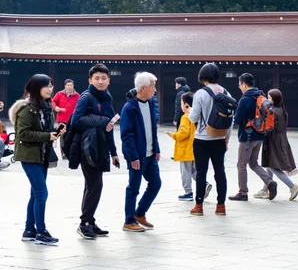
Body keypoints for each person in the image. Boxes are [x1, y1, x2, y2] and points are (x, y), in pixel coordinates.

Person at [9, 74, 65, 245]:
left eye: (51, 86)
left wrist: (56, 132)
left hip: (42, 154)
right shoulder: (27, 109)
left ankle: (29, 230)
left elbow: (44, 130)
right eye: (46, 86)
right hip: (29, 156)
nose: (50, 89)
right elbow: (23, 134)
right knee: (42, 194)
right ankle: (41, 232)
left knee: (35, 194)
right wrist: (47, 136)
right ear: (36, 88)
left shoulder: (46, 107)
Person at [69, 64, 120, 239]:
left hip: (101, 146)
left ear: (109, 81)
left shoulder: (107, 98)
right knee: (95, 184)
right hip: (87, 147)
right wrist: (101, 120)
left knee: (92, 185)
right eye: (96, 78)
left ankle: (89, 221)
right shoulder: (86, 97)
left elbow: (109, 127)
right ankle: (84, 223)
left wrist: (113, 152)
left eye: (103, 78)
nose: (100, 81)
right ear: (90, 80)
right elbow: (76, 121)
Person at [188, 63, 233, 216]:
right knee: (220, 171)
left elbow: (194, 117)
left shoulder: (200, 93)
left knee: (201, 172)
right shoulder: (226, 92)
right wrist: (226, 139)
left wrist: (188, 112)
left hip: (202, 138)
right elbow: (230, 120)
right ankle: (221, 206)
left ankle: (199, 206)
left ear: (202, 77)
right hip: (220, 137)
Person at [120, 72, 162, 232]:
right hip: (137, 156)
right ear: (143, 88)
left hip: (150, 155)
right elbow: (127, 135)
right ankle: (128, 220)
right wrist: (133, 156)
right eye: (152, 86)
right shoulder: (130, 108)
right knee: (133, 188)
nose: (154, 89)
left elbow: (153, 128)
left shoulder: (150, 103)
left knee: (156, 183)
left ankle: (140, 213)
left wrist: (156, 148)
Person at [229, 73, 277, 202]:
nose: (239, 87)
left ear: (244, 84)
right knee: (253, 163)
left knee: (241, 165)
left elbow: (238, 119)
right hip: (259, 136)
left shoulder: (245, 99)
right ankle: (269, 182)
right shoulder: (260, 96)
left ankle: (242, 192)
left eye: (240, 85)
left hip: (247, 137)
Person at [255, 89, 298, 201]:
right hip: (281, 140)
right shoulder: (282, 111)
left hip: (273, 141)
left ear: (274, 99)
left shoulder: (274, 112)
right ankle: (265, 189)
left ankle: (292, 186)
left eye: (269, 97)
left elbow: (270, 128)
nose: (267, 99)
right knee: (270, 164)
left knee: (272, 166)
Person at [167, 91, 213, 202]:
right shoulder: (197, 114)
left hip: (185, 148)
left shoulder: (185, 117)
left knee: (185, 171)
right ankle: (205, 184)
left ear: (187, 104)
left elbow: (184, 133)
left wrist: (173, 135)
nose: (181, 105)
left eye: (182, 103)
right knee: (194, 171)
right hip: (195, 147)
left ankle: (188, 192)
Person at [52, 79, 80, 159]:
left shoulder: (77, 96)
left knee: (71, 137)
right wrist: (56, 107)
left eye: (71, 85)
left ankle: (70, 153)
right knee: (62, 137)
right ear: (65, 86)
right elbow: (52, 101)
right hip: (62, 120)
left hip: (72, 120)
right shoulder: (59, 94)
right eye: (68, 85)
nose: (69, 87)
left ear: (73, 86)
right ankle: (63, 153)